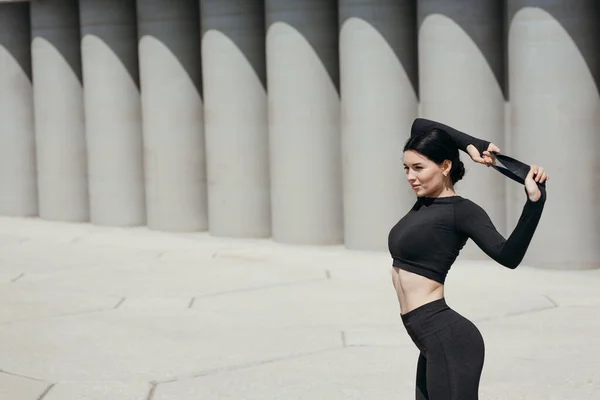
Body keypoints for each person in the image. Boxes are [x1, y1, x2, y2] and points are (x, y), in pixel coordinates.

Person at [387, 118, 548, 400]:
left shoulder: (462, 211)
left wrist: (534, 203)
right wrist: (474, 144)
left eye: (418, 168)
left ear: (445, 166)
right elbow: (419, 124)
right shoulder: (424, 202)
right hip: (429, 339)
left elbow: (508, 256)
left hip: (448, 338)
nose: (410, 176)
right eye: (406, 168)